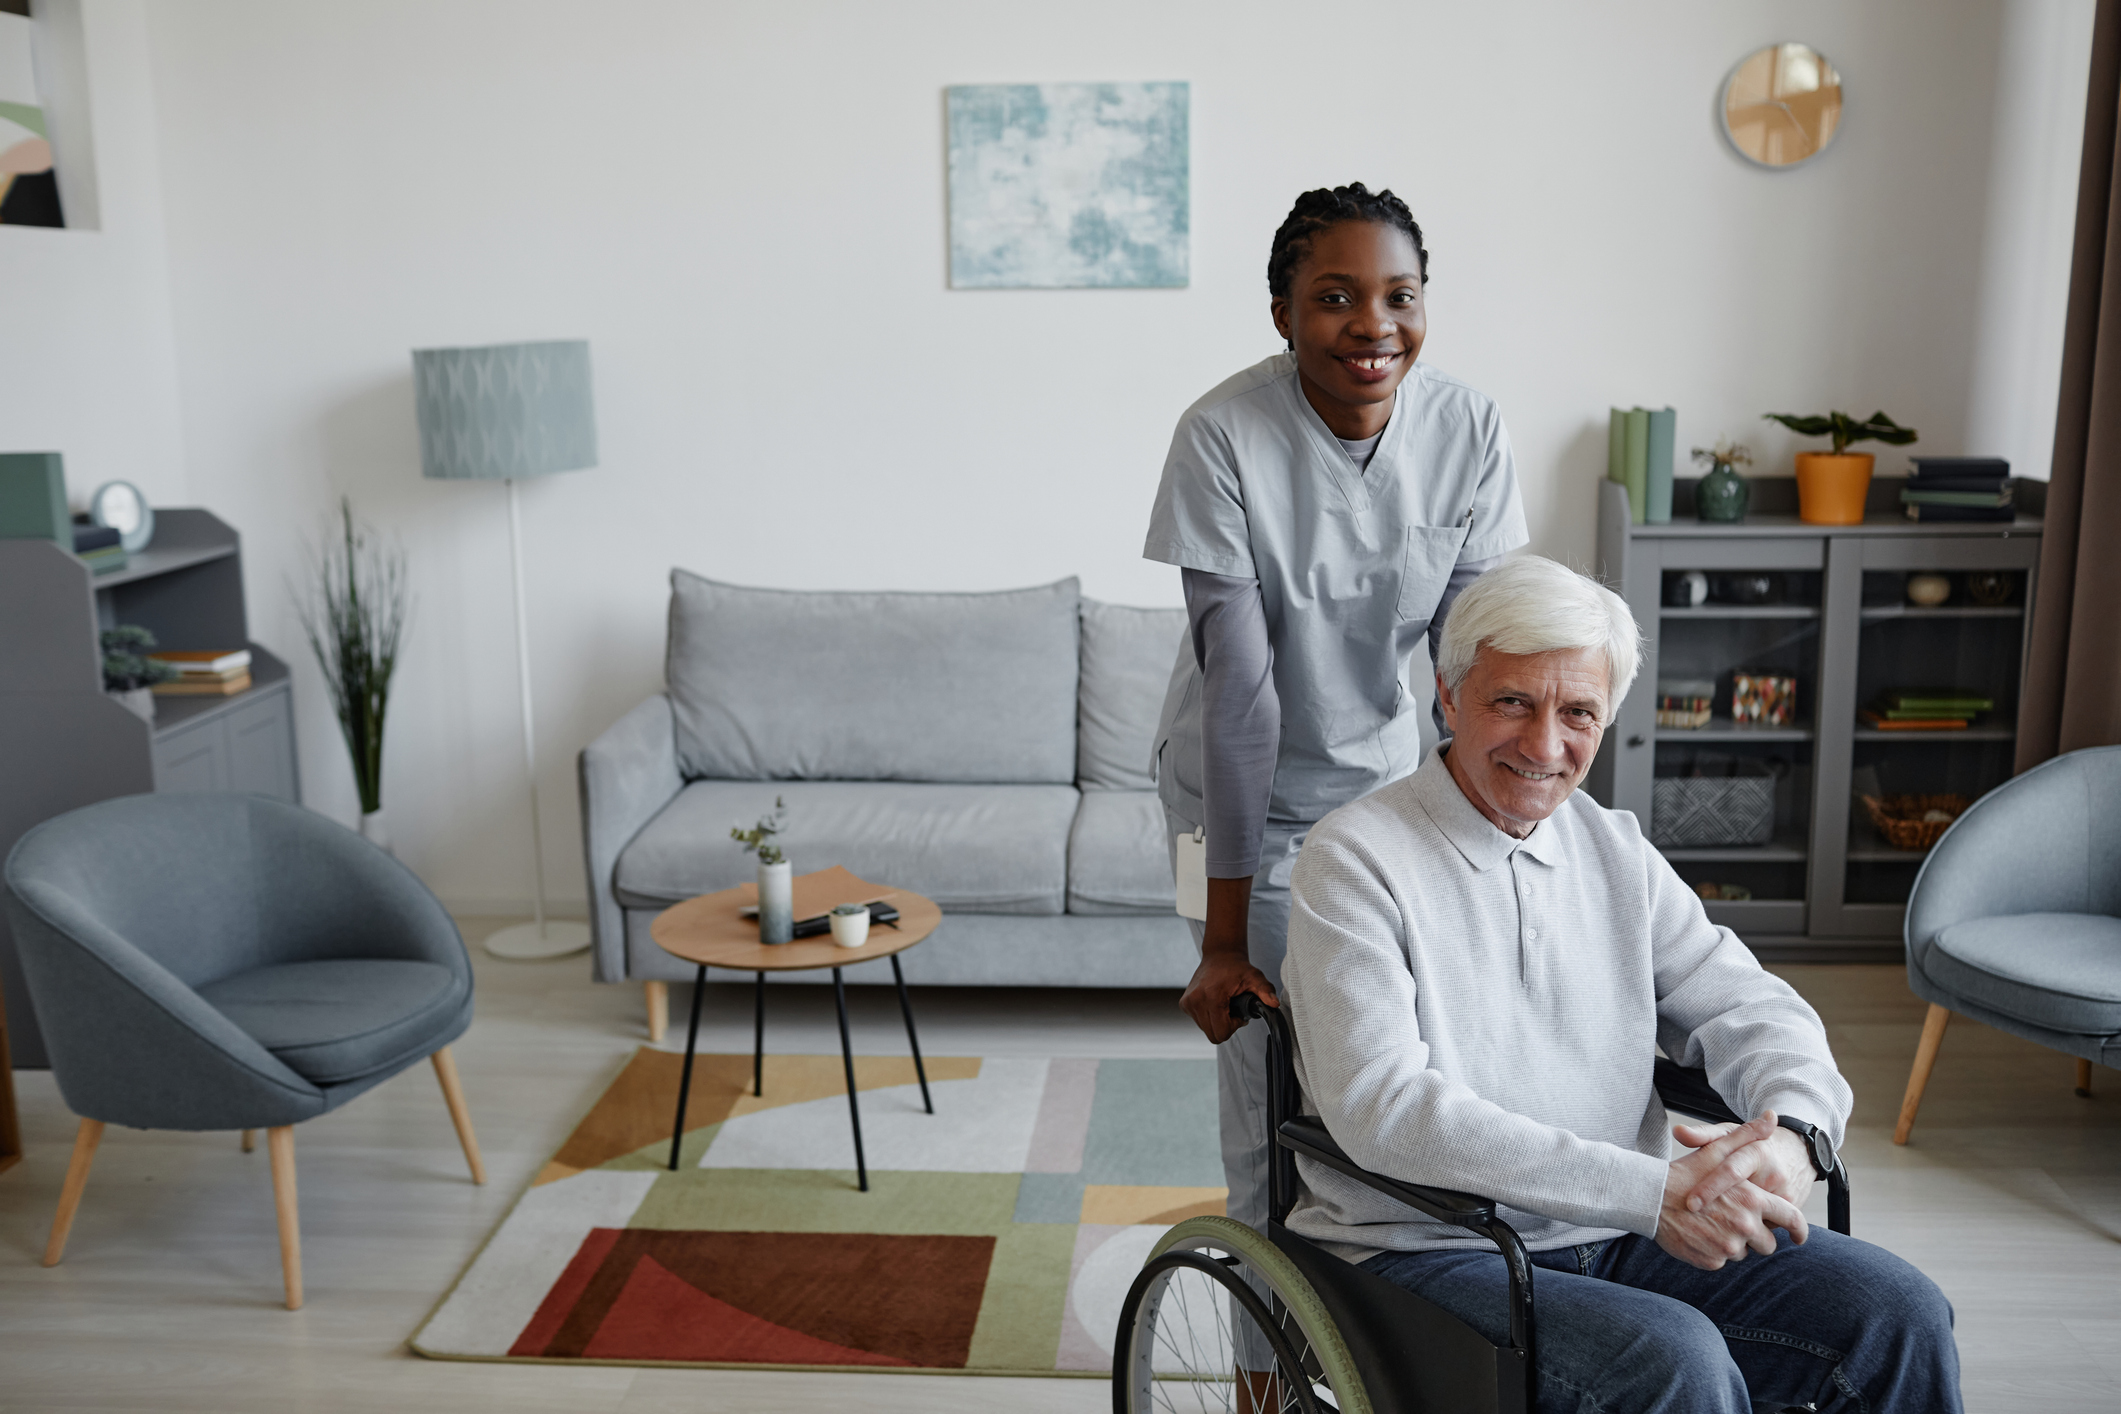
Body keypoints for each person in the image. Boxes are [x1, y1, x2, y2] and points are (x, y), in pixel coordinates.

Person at [1281, 555, 1960, 1413]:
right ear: (1448, 697)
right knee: (1675, 1362)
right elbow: (1383, 1107)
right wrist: (1651, 1191)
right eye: (1511, 703)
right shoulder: (1355, 856)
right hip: (1428, 1247)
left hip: (1620, 1231)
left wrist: (1793, 1137)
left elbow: (1751, 1008)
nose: (1543, 745)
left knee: (1895, 1313)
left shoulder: (1614, 850)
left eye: (1577, 713)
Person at [1141, 182, 1528, 1237]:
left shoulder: (1468, 427)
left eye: (1400, 295)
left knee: (1401, 1076)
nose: (1373, 325)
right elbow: (1241, 691)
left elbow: (1474, 662)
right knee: (1270, 1101)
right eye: (1336, 296)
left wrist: (1492, 844)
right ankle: (1262, 1382)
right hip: (1233, 805)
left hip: (1383, 790)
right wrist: (1223, 943)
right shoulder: (1222, 435)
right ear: (1282, 312)